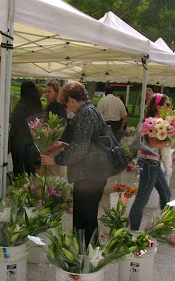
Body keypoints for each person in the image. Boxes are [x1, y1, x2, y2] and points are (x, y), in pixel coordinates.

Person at [40, 81, 106, 246]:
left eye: (67, 105)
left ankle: (84, 254)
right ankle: (89, 252)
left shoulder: (84, 114)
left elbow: (80, 150)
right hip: (96, 172)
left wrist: (55, 159)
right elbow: (86, 144)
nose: (69, 110)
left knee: (84, 218)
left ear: (71, 100)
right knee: (89, 216)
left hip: (88, 175)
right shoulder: (92, 110)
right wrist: (65, 145)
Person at [129, 93, 172, 230]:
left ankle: (166, 225)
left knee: (166, 192)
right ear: (158, 107)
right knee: (142, 199)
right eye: (167, 105)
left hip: (154, 163)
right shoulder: (152, 122)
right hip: (148, 163)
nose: (169, 108)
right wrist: (168, 142)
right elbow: (153, 143)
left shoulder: (158, 120)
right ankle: (132, 231)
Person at [9, 81, 42, 178]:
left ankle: (18, 186)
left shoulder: (21, 105)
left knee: (18, 164)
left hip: (19, 137)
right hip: (31, 136)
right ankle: (32, 186)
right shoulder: (37, 105)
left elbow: (14, 121)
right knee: (29, 163)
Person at [44, 81, 67, 178]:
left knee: (53, 174)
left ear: (57, 93)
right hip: (59, 143)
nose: (46, 94)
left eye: (49, 91)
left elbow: (57, 126)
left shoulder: (54, 106)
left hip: (54, 144)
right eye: (46, 91)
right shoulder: (60, 106)